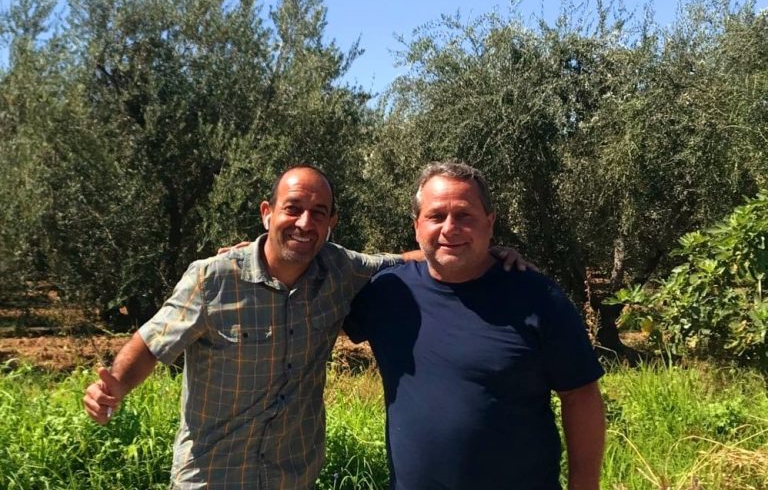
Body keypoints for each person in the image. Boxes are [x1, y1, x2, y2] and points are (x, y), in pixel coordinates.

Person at [83, 164, 527, 489]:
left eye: (319, 212)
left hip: (291, 477)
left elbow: (414, 258)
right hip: (213, 477)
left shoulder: (341, 270)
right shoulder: (214, 277)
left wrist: (488, 251)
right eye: (293, 209)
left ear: (332, 223)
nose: (305, 222)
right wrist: (116, 385)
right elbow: (151, 341)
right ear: (267, 213)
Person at [343, 162, 606, 490]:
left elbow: (580, 395)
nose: (450, 228)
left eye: (464, 216)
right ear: (416, 226)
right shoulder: (387, 293)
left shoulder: (538, 298)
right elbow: (313, 309)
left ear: (490, 223)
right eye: (436, 216)